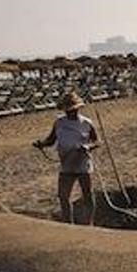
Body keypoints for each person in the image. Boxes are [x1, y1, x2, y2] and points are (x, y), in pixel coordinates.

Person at [33, 92, 99, 224]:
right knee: (63, 196)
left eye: (73, 110)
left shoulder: (86, 123)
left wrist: (88, 147)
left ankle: (89, 223)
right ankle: (68, 223)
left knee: (87, 194)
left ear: (78, 109)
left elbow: (97, 141)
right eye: (68, 110)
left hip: (82, 163)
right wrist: (42, 144)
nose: (70, 113)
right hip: (66, 163)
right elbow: (51, 140)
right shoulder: (59, 123)